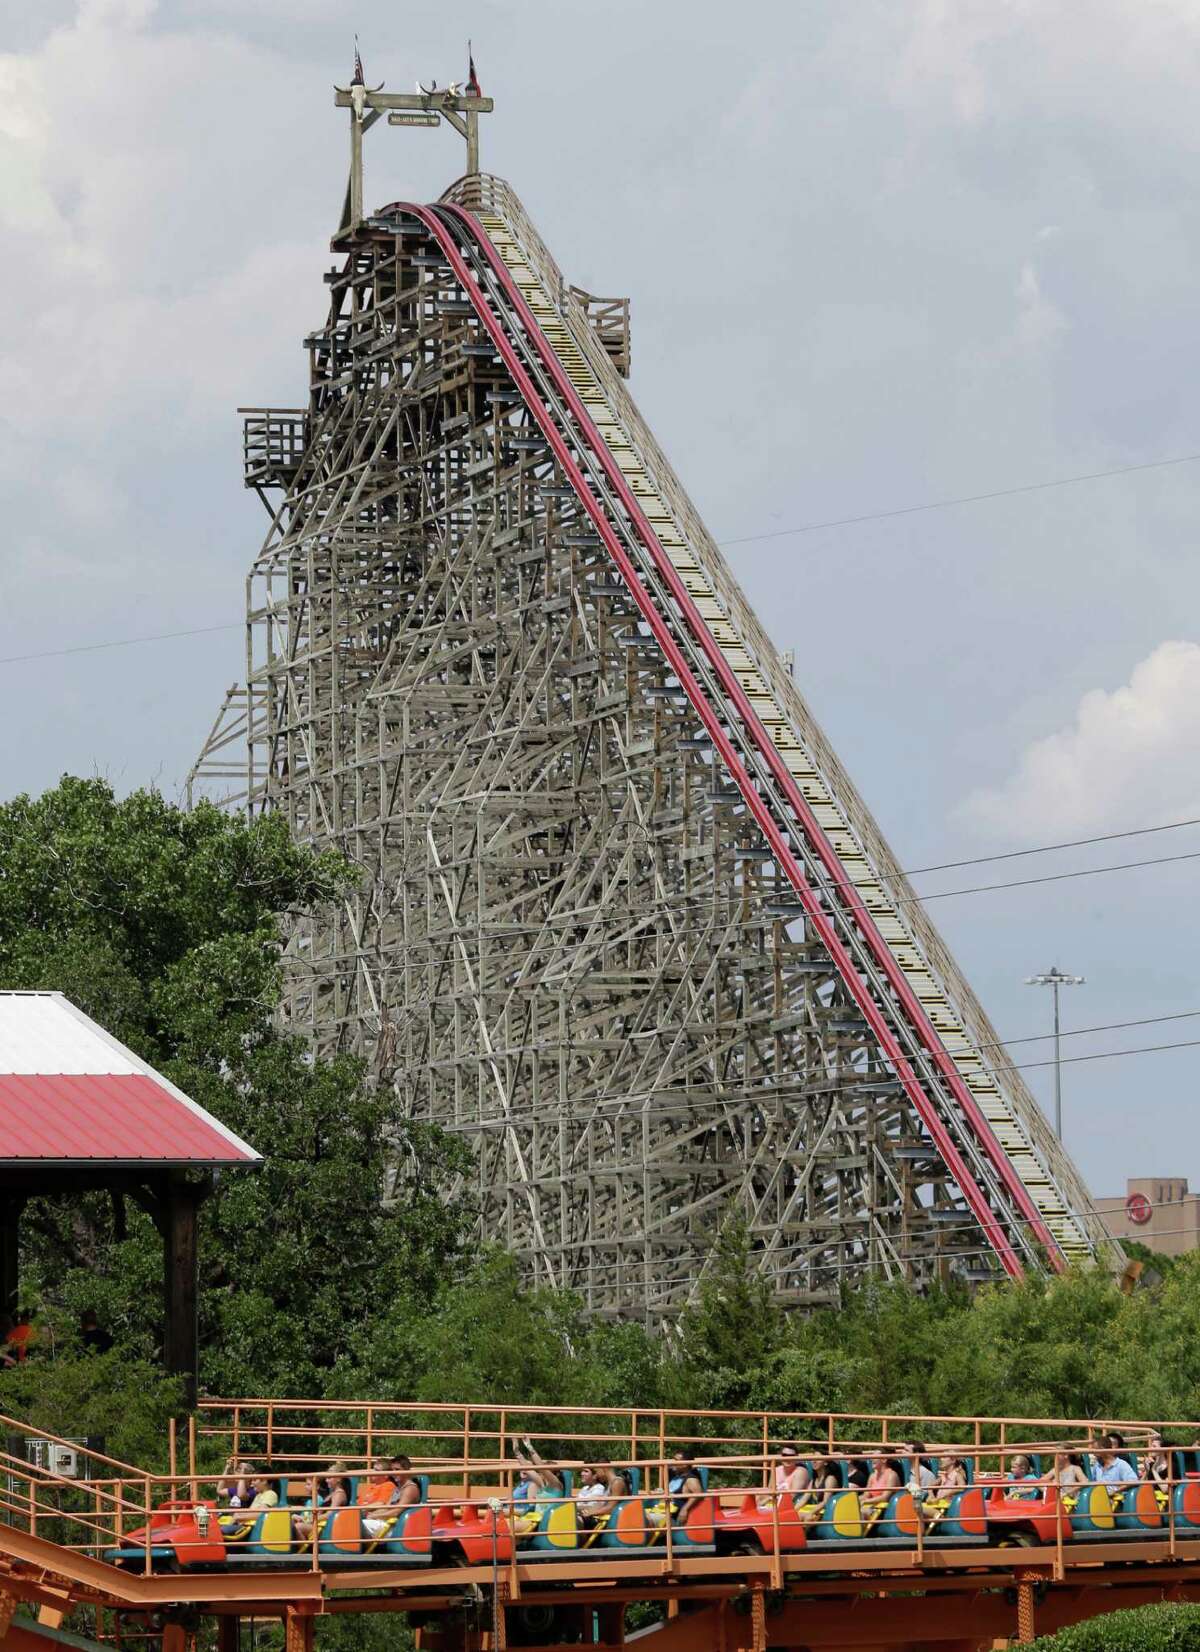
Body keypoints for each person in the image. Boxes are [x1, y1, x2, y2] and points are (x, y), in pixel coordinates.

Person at [364, 1455, 421, 1539]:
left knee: (357, 1525)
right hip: (386, 1523)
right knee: (356, 1522)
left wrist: (374, 1516)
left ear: (406, 1470)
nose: (394, 1473)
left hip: (394, 1528)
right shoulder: (398, 1488)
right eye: (392, 1470)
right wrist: (371, 1514)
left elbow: (396, 1512)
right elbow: (387, 1507)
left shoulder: (410, 1489)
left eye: (397, 1470)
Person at [292, 1462, 351, 1543]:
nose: (326, 1481)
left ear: (339, 1479)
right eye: (326, 1478)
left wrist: (311, 1519)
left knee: (298, 1527)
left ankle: (307, 1551)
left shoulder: (339, 1494)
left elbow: (330, 1514)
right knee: (292, 1522)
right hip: (320, 1524)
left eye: (329, 1478)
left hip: (325, 1528)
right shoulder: (332, 1494)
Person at [647, 1450, 703, 1528]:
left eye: (676, 1460)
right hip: (660, 1510)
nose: (673, 1463)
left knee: (643, 1520)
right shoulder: (676, 1477)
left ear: (685, 1464)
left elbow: (699, 1494)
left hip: (670, 1517)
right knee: (637, 1515)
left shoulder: (691, 1479)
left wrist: (684, 1509)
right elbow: (671, 1492)